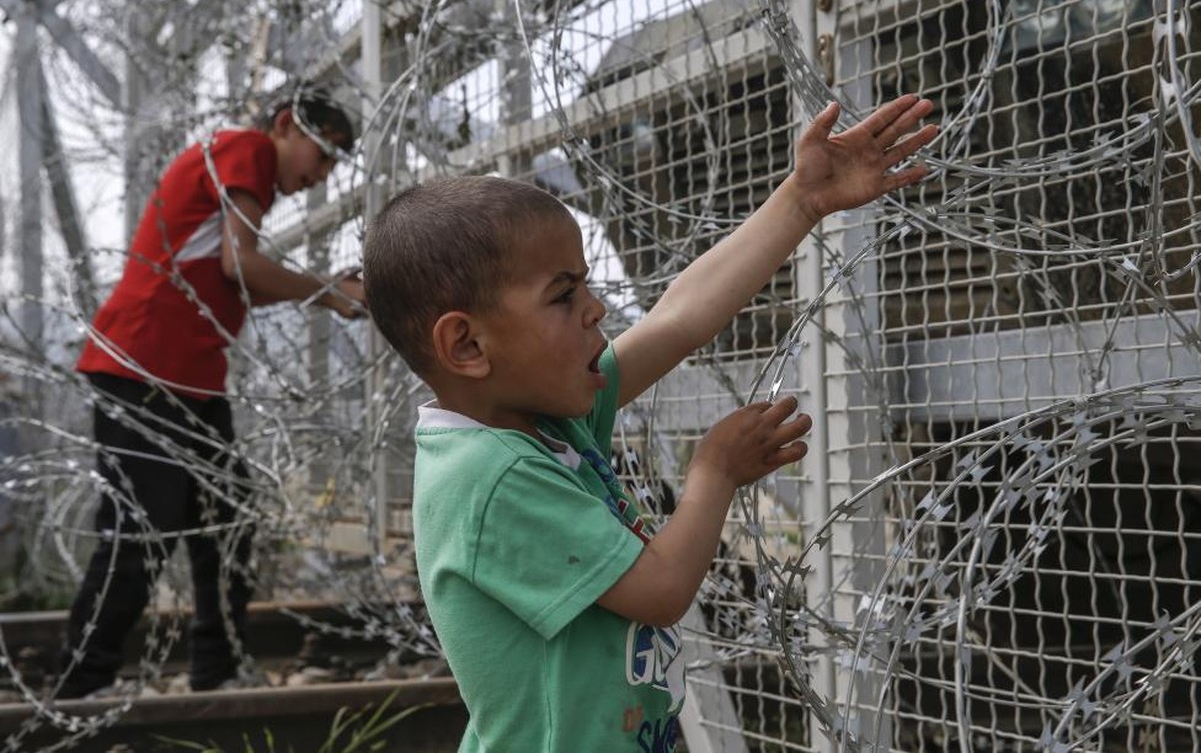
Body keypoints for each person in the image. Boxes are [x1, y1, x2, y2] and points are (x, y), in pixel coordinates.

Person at [361, 94, 936, 751]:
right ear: (467, 346)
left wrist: (800, 201)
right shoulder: (489, 476)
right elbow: (660, 589)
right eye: (563, 294)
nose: (596, 308)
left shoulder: (540, 424)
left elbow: (676, 319)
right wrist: (715, 471)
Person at [57, 88, 367, 699]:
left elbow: (229, 267)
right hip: (144, 367)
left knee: (226, 519)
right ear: (285, 126)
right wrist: (327, 291)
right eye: (324, 154)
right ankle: (79, 684)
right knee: (145, 526)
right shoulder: (245, 148)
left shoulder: (237, 169)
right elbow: (239, 264)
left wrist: (321, 286)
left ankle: (216, 671)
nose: (322, 176)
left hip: (185, 376)